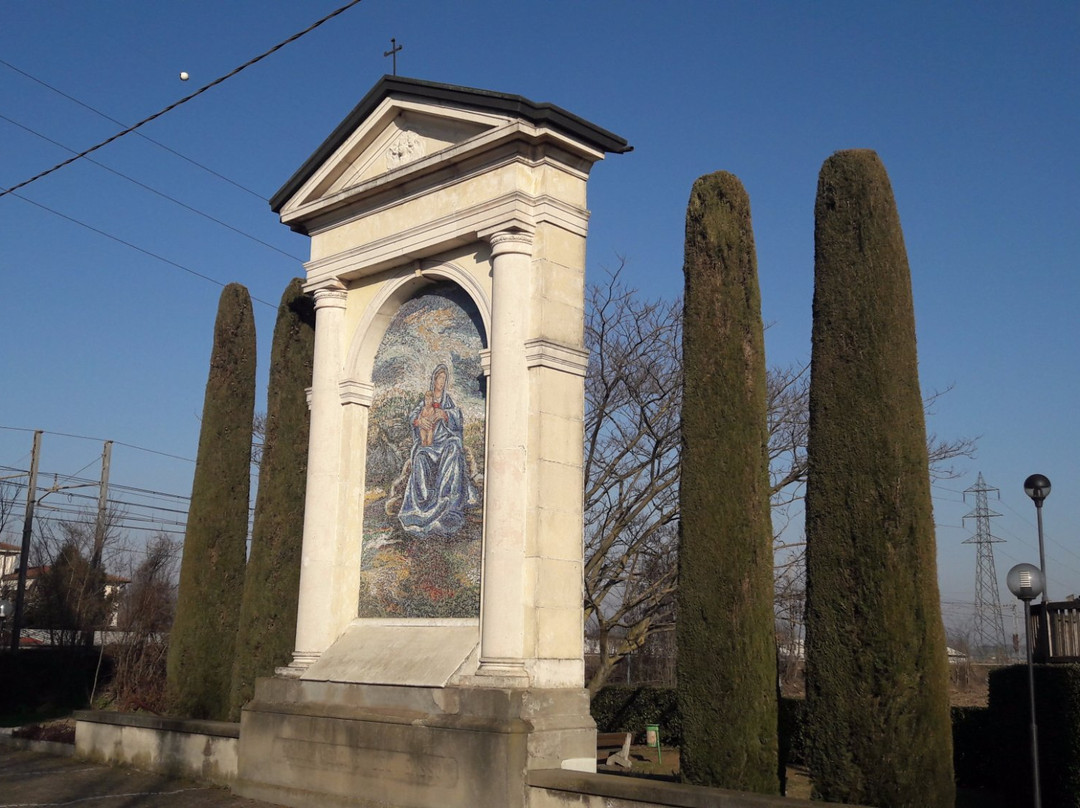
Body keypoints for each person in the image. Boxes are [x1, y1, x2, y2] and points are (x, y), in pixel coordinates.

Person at [398, 364, 480, 536]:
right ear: (433, 380)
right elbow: (413, 416)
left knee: (454, 448)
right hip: (429, 444)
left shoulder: (447, 400)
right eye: (438, 378)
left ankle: (447, 501)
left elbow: (457, 417)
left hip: (444, 440)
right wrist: (419, 422)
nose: (441, 382)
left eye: (444, 379)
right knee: (420, 455)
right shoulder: (425, 400)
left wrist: (444, 414)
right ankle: (421, 506)